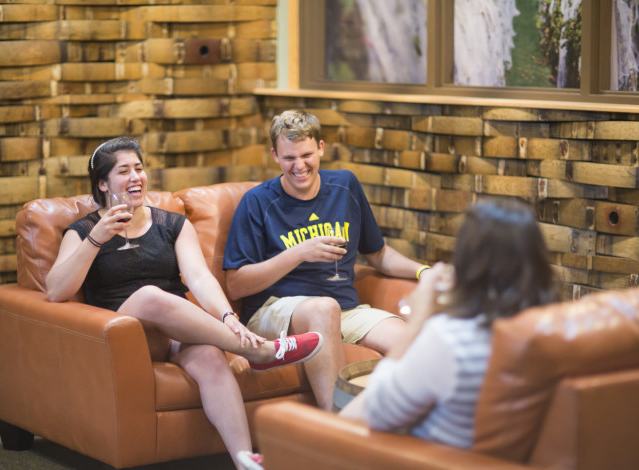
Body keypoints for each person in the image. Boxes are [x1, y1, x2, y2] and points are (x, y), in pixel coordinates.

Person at [45, 136, 323, 470]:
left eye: (139, 167)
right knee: (150, 296)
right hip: (124, 335)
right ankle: (259, 351)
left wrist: (227, 316)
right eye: (123, 171)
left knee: (210, 358)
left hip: (176, 330)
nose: (136, 176)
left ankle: (245, 459)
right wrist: (96, 239)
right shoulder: (84, 230)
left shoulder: (171, 224)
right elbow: (56, 291)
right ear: (103, 183)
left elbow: (200, 278)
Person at [222, 110, 430, 411]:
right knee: (323, 308)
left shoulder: (345, 187)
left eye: (306, 155)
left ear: (321, 148)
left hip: (345, 309)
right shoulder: (258, 202)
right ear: (274, 156)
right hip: (274, 310)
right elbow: (236, 285)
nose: (299, 166)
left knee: (416, 344)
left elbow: (379, 254)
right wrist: (298, 253)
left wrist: (423, 270)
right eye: (289, 158)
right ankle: (335, 434)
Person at [339, 198, 557, 449]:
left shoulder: (451, 340)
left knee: (331, 434)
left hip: (431, 458)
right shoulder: (553, 331)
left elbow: (373, 409)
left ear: (468, 260)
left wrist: (421, 317)